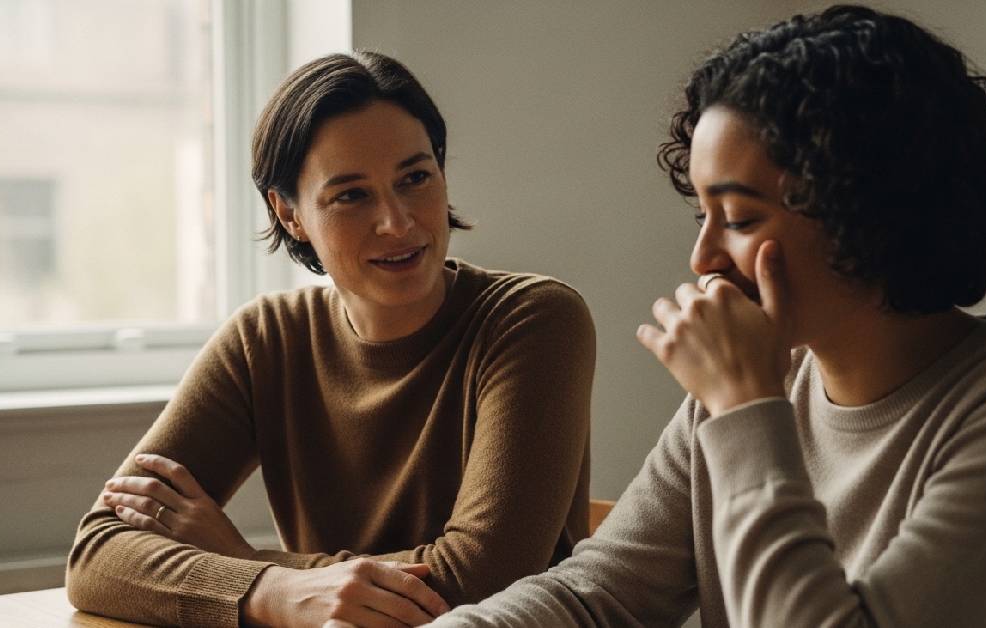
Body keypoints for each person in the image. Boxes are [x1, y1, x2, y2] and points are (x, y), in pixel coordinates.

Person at [431, 5, 986, 627]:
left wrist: (744, 408)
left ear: (866, 212)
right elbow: (599, 595)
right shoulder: (763, 382)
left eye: (736, 217)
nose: (704, 257)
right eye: (702, 214)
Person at [65, 51, 596, 628]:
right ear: (289, 214)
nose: (397, 222)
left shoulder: (532, 320)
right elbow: (96, 555)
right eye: (351, 195)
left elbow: (480, 578)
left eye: (415, 178)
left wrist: (243, 562)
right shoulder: (264, 339)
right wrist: (270, 591)